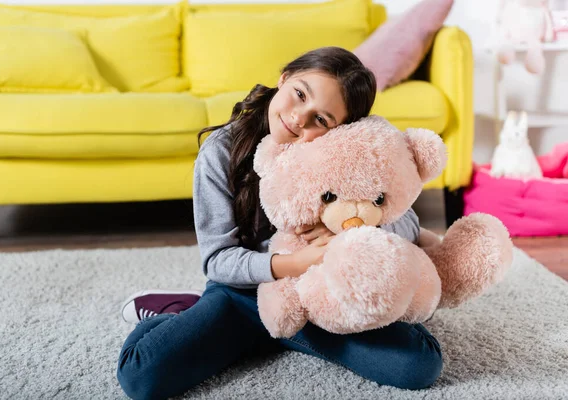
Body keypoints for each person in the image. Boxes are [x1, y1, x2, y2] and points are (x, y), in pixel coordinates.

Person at [117, 46, 443, 400]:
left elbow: (405, 220)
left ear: (340, 131)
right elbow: (216, 259)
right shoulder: (221, 151)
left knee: (419, 365)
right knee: (141, 376)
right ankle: (179, 313)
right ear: (284, 78)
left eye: (322, 120)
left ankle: (275, 339)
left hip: (322, 298)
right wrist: (295, 262)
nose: (300, 119)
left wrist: (354, 226)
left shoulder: (344, 155)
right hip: (241, 295)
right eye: (299, 94)